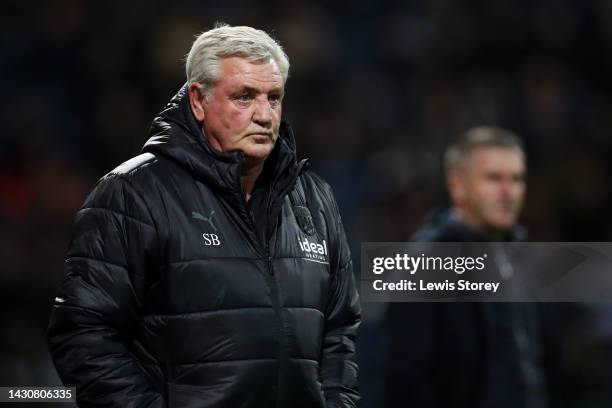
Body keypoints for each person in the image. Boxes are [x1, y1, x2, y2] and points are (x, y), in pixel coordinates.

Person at [47, 24, 360, 408]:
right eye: (244, 97)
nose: (264, 115)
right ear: (198, 100)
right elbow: (83, 335)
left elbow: (339, 331)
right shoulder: (132, 194)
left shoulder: (314, 198)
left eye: (273, 98)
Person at [384, 127, 549, 408]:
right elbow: (407, 378)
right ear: (457, 186)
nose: (508, 192)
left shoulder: (522, 256)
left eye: (517, 179)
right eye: (493, 179)